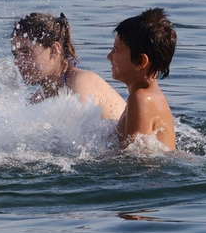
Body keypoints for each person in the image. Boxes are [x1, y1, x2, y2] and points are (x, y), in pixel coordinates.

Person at [12, 12, 125, 120]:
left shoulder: (79, 82)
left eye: (26, 52)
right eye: (15, 55)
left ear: (54, 50)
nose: (17, 62)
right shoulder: (37, 100)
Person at [108, 8, 176, 150]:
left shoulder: (140, 98)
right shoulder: (150, 96)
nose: (109, 56)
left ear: (140, 61)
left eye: (116, 50)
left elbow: (132, 159)